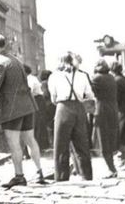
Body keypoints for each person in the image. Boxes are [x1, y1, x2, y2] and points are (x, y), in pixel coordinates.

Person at [0, 34, 45, 188]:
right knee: (30, 140)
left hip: (12, 108)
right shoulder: (16, 60)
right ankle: (40, 172)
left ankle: (19, 176)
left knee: (14, 143)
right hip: (27, 105)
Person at [48, 53, 94, 182]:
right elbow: (90, 95)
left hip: (62, 108)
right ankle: (86, 175)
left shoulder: (54, 76)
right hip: (79, 108)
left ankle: (62, 177)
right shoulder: (82, 75)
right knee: (82, 143)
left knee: (61, 144)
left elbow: (53, 98)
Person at [92, 59, 119, 177]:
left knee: (103, 141)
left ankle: (112, 169)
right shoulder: (112, 78)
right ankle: (112, 167)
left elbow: (89, 92)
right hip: (112, 110)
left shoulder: (96, 78)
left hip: (101, 111)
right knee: (110, 139)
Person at [25, 65, 49, 151]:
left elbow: (29, 92)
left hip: (36, 100)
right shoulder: (30, 78)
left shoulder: (30, 79)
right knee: (36, 123)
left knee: (36, 123)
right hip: (35, 100)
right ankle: (38, 146)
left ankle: (38, 146)